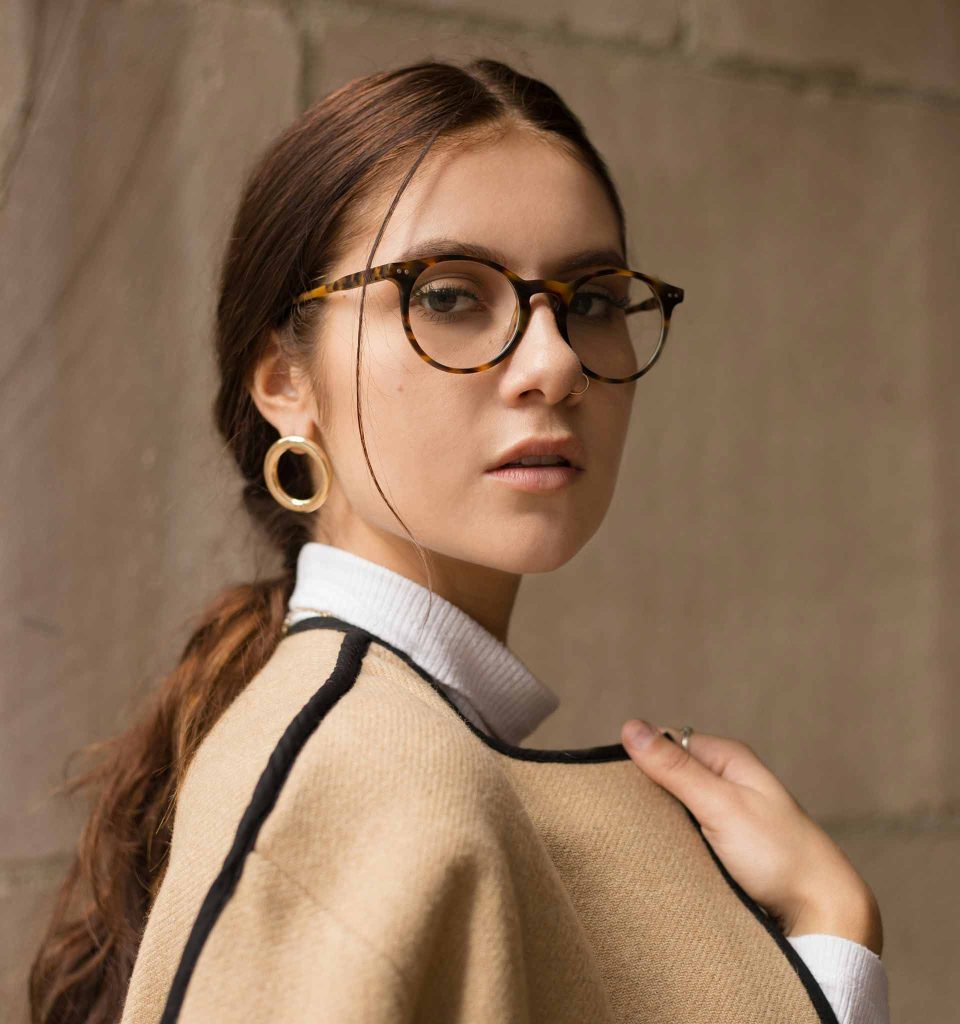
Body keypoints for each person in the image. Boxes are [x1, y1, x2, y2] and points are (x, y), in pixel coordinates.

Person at [29, 58, 889, 1024]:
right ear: (285, 381)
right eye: (446, 294)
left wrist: (828, 927)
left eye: (594, 299)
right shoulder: (360, 781)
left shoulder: (405, 745)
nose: (556, 362)